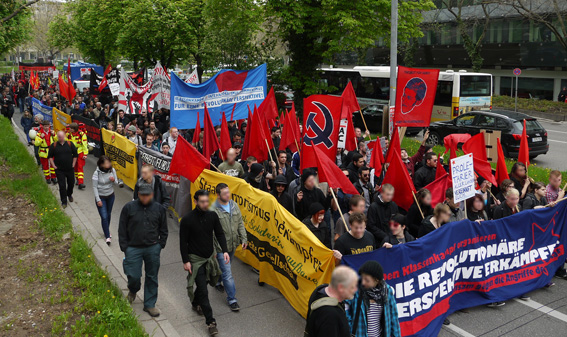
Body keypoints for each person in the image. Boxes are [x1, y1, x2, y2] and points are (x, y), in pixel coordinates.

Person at [179, 190, 230, 336]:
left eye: (207, 201)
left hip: (210, 258)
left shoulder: (212, 215)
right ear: (195, 202)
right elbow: (183, 242)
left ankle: (195, 303)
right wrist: (185, 261)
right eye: (202, 202)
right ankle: (211, 323)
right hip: (196, 260)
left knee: (206, 283)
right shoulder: (187, 220)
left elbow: (219, 233)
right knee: (204, 290)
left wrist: (224, 250)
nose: (205, 204)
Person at [119, 183, 168, 317]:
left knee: (152, 276)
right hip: (133, 248)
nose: (145, 198)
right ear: (138, 195)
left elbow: (164, 229)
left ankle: (150, 304)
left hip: (152, 247)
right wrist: (125, 247)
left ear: (152, 195)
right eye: (142, 195)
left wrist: (160, 245)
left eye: (148, 195)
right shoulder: (129, 208)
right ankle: (133, 290)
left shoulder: (159, 209)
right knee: (133, 275)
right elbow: (122, 228)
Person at [210, 184, 247, 311]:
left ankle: (218, 282)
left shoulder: (234, 205)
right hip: (221, 248)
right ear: (218, 195)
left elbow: (240, 222)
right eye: (224, 193)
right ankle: (232, 299)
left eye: (228, 192)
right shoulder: (212, 210)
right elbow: (210, 233)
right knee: (228, 273)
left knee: (226, 267)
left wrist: (244, 238)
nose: (228, 195)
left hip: (232, 244)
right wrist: (214, 250)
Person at [344, 261, 401, 337]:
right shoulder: (355, 290)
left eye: (367, 280)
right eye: (362, 278)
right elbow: (345, 312)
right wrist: (351, 329)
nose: (363, 282)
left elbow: (393, 317)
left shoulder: (386, 291)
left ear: (376, 280)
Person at [305, 266, 359, 337]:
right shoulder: (330, 315)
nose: (355, 290)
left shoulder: (320, 290)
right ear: (340, 287)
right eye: (352, 287)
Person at [92, 156, 124, 245]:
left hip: (110, 196)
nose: (108, 164)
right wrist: (98, 199)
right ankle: (107, 236)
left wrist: (114, 180)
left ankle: (107, 230)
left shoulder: (112, 170)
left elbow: (117, 183)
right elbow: (94, 187)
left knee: (108, 214)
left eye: (109, 162)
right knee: (104, 216)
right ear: (101, 164)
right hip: (101, 197)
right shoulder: (96, 173)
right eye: (106, 163)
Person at [48, 131, 78, 208]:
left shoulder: (70, 144)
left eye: (62, 136)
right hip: (59, 170)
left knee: (71, 183)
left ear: (64, 136)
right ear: (57, 137)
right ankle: (64, 201)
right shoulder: (54, 145)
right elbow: (50, 156)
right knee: (62, 185)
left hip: (70, 169)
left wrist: (73, 164)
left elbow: (75, 155)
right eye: (59, 137)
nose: (60, 138)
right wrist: (53, 165)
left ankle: (69, 194)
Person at [67, 123, 88, 189]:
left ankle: (81, 183)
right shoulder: (68, 134)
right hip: (72, 153)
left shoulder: (82, 134)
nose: (69, 129)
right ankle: (78, 180)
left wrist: (85, 154)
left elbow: (84, 145)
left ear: (74, 129)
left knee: (80, 167)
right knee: (75, 167)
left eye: (71, 128)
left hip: (80, 152)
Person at [35, 120, 57, 184]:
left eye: (48, 126)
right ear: (43, 126)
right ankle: (47, 178)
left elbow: (57, 140)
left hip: (51, 150)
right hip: (43, 151)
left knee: (53, 165)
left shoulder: (52, 132)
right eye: (45, 126)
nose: (47, 128)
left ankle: (53, 177)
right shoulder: (39, 134)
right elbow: (36, 143)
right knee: (45, 166)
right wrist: (41, 137)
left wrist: (54, 135)